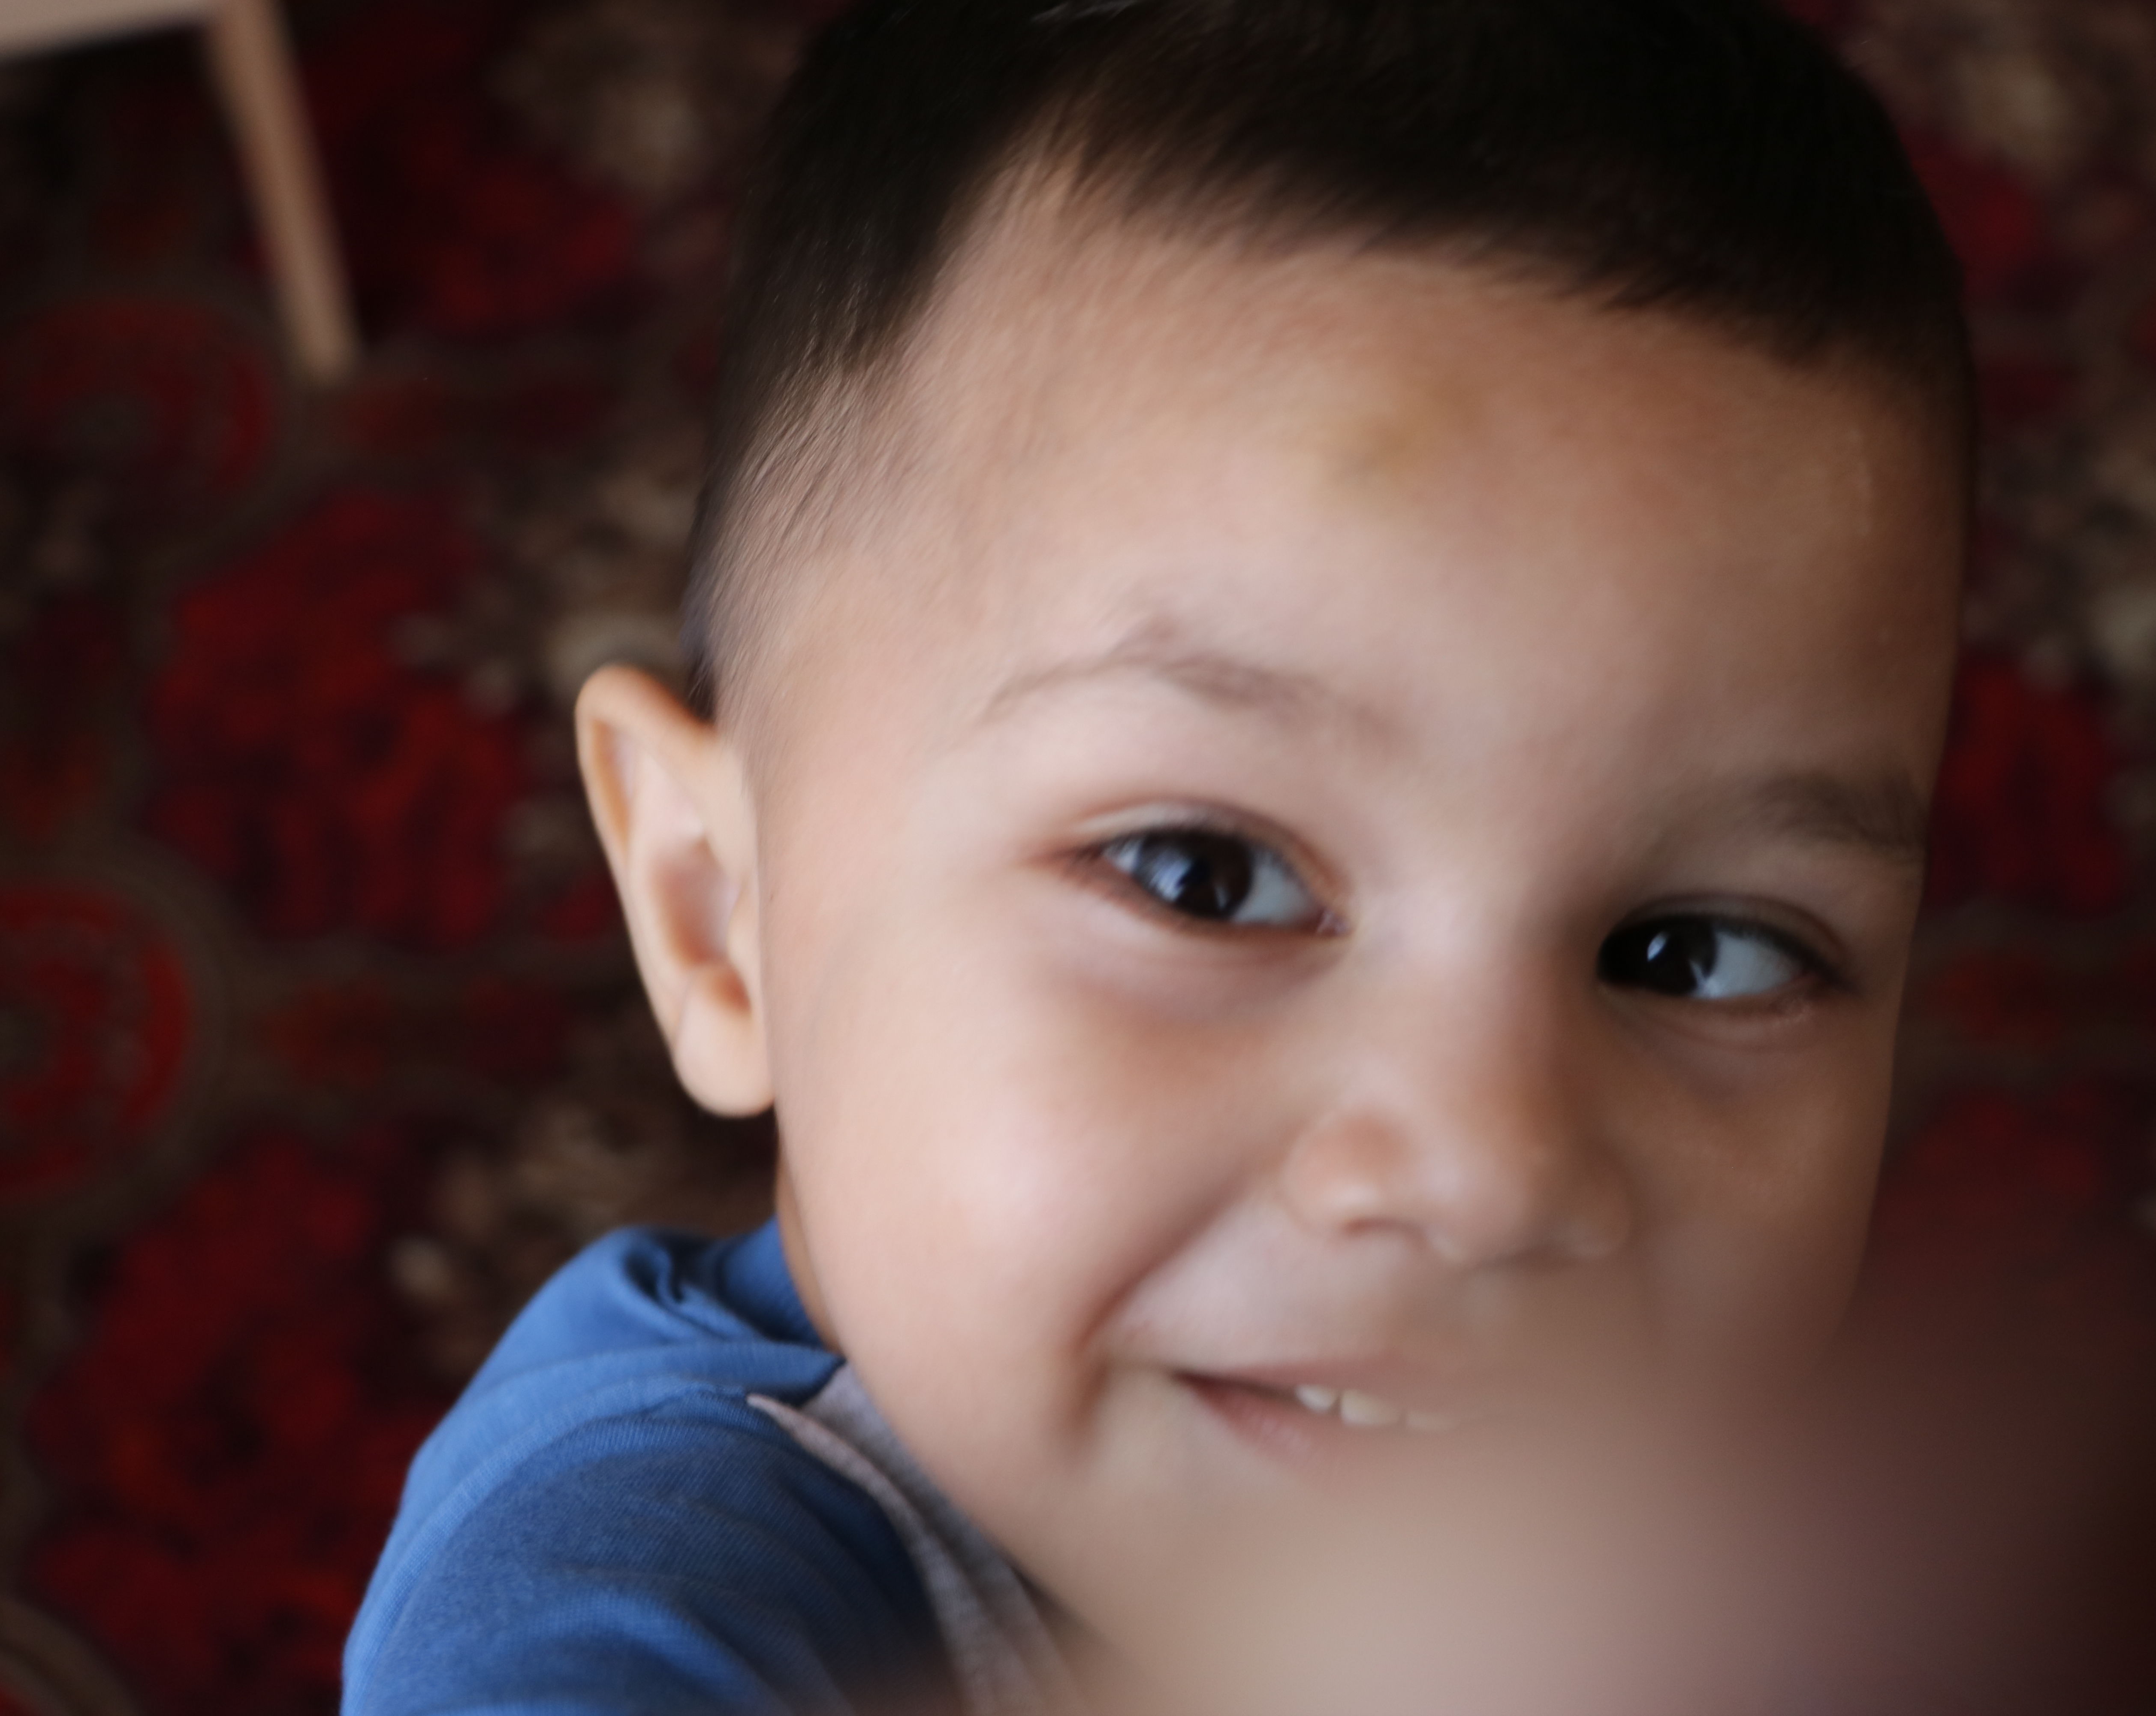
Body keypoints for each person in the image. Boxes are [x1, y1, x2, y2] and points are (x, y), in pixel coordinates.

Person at [343, 0, 1974, 1710]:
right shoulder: (636, 1575)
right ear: (715, 907)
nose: (1494, 1171)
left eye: (1698, 952)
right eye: (1206, 877)